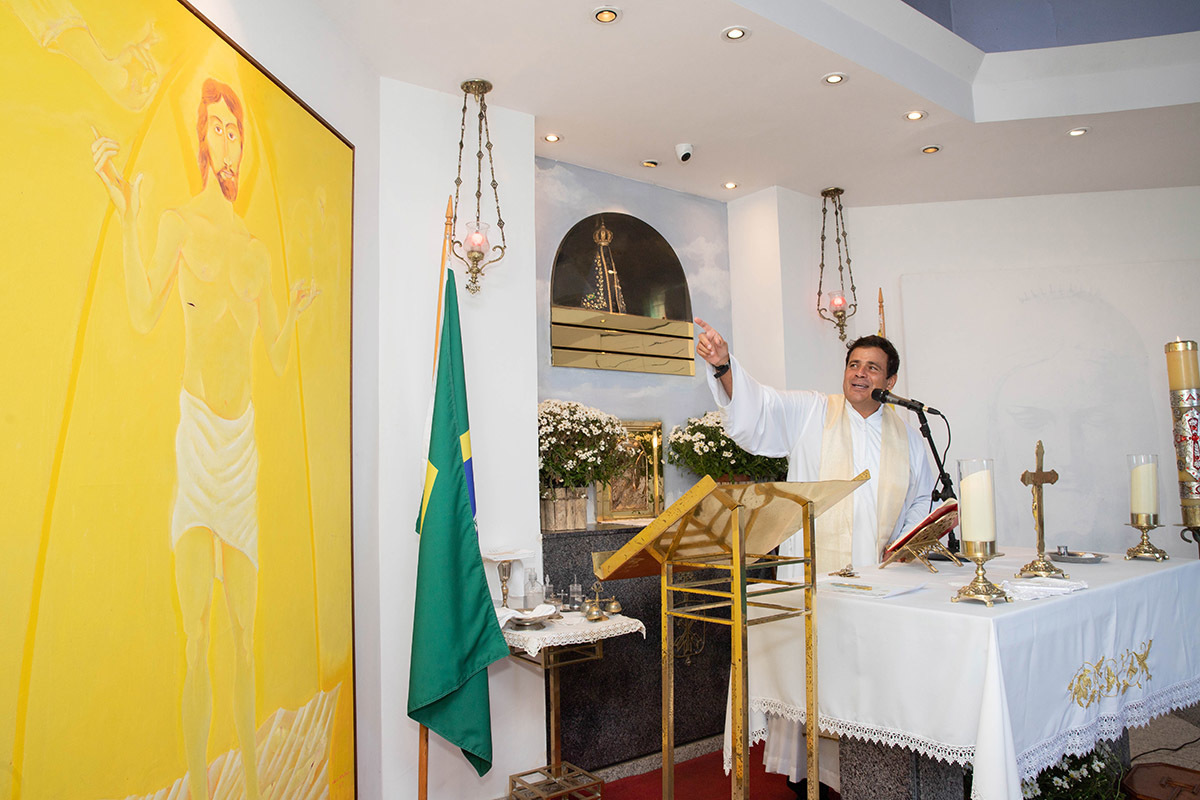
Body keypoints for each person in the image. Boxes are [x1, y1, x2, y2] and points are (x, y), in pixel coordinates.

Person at [92, 78, 318, 800]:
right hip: (197, 444)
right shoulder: (180, 225)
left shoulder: (254, 250)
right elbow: (139, 306)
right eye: (216, 127)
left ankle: (252, 785)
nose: (227, 140)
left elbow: (277, 357)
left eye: (236, 130)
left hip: (242, 449)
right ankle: (197, 786)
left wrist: (299, 315)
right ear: (199, 139)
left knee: (245, 639)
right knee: (196, 635)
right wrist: (127, 214)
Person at [695, 317, 935, 798]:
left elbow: (920, 499)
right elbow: (759, 408)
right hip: (817, 577)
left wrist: (905, 545)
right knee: (816, 675)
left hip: (879, 583)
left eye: (872, 368)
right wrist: (723, 365)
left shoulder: (909, 435)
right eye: (853, 365)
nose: (859, 374)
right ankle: (813, 779)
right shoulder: (812, 413)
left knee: (866, 682)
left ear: (891, 382)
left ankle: (871, 772)